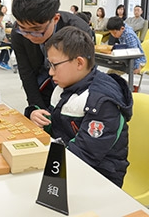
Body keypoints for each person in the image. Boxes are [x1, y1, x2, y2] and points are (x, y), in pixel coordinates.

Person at [29, 27, 132, 187]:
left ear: (79, 63)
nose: (50, 72)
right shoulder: (65, 85)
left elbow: (84, 154)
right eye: (49, 65)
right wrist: (39, 118)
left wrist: (42, 163)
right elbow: (56, 122)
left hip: (100, 176)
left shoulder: (101, 102)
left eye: (55, 65)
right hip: (67, 162)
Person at [11, 0, 94, 117]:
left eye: (37, 30)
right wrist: (36, 108)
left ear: (55, 19)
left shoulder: (78, 31)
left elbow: (82, 77)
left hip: (73, 93)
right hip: (42, 83)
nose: (29, 36)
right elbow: (26, 72)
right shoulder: (18, 32)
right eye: (24, 30)